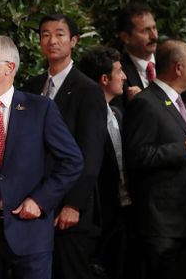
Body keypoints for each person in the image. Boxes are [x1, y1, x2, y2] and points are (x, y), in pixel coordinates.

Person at [0, 35, 83, 279]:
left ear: (9, 67)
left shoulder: (41, 109)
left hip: (31, 235)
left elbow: (72, 161)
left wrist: (40, 200)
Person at [22, 14, 107, 279]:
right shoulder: (31, 86)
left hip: (69, 205)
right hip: (34, 200)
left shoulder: (88, 89)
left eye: (59, 34)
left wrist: (74, 204)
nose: (52, 41)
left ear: (73, 41)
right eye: (45, 34)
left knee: (70, 270)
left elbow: (91, 152)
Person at [124, 39, 186, 279]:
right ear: (178, 67)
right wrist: (184, 149)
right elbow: (137, 155)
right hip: (162, 225)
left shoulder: (178, 102)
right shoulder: (145, 103)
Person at [79, 46, 130, 279]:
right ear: (104, 78)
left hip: (122, 209)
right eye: (119, 71)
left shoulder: (118, 113)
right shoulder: (86, 115)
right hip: (97, 214)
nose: (124, 77)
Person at [116, 3, 158, 104]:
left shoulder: (168, 61)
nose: (154, 36)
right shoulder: (117, 74)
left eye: (154, 28)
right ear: (126, 37)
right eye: (145, 31)